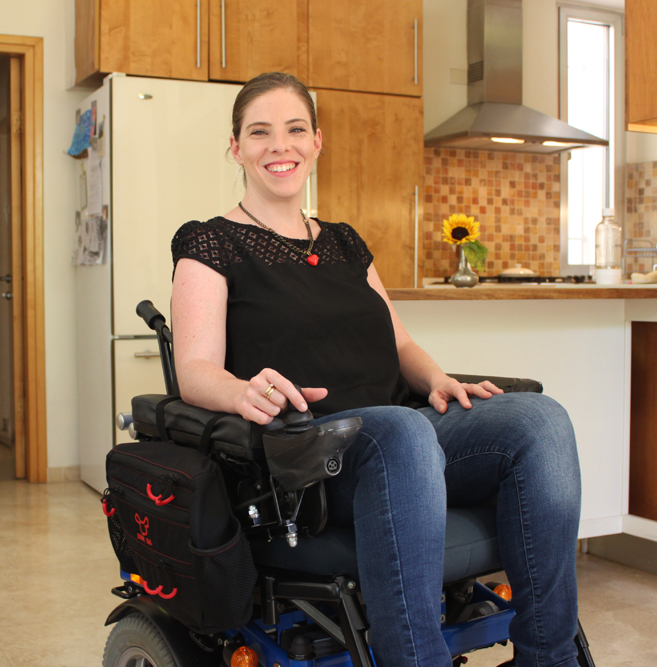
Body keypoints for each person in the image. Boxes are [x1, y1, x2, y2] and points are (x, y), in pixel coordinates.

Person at [170, 72, 582, 667]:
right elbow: (195, 370)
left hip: (401, 430)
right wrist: (239, 391)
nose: (278, 146)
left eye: (295, 130)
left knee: (540, 421)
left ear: (317, 142)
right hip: (311, 453)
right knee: (403, 431)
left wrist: (437, 378)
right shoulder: (209, 244)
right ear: (236, 147)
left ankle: (550, 658)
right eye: (259, 132)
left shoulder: (343, 242)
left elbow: (400, 343)